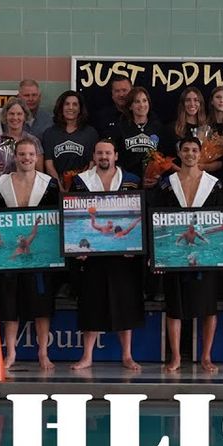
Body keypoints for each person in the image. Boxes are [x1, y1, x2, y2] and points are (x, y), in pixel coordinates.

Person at [154, 135, 223, 373]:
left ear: (200, 153)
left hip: (204, 254)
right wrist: (157, 254)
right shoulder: (166, 184)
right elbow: (156, 219)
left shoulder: (214, 184)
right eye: (185, 150)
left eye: (194, 150)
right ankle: (175, 356)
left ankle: (206, 356)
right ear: (179, 153)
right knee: (174, 306)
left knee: (208, 306)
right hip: (175, 254)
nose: (190, 154)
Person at [70, 139, 144, 371]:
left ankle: (127, 355)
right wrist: (77, 248)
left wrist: (136, 245)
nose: (104, 156)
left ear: (116, 156)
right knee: (91, 303)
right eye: (100, 153)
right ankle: (87, 356)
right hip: (92, 255)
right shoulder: (80, 182)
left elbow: (139, 215)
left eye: (108, 153)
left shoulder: (132, 180)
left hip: (122, 256)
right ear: (94, 156)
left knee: (125, 303)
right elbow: (74, 216)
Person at [0, 135, 61, 370]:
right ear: (15, 157)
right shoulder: (0, 184)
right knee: (9, 304)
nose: (27, 158)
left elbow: (57, 220)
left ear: (37, 157)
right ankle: (11, 352)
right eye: (22, 154)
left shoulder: (49, 184)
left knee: (42, 305)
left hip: (39, 254)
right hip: (10, 255)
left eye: (31, 154)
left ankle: (43, 353)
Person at [41, 90, 100, 192]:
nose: (71, 107)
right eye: (67, 104)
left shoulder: (90, 133)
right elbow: (49, 164)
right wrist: (60, 188)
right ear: (61, 107)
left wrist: (80, 184)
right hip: (57, 186)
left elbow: (92, 163)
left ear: (80, 109)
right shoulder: (50, 133)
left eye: (75, 104)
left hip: (83, 186)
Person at [113, 86, 165, 185]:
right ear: (130, 106)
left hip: (153, 182)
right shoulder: (121, 128)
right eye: (137, 101)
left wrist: (157, 176)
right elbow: (117, 158)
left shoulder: (158, 127)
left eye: (144, 101)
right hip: (128, 181)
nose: (142, 105)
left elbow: (163, 156)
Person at [0, 97, 29, 178]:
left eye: (19, 114)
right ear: (5, 116)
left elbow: (39, 172)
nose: (15, 117)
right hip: (1, 184)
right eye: (11, 114)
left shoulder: (32, 141)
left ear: (24, 116)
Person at [158, 86, 210, 159]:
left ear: (200, 104)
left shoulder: (207, 130)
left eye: (196, 100)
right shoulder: (171, 129)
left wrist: (199, 166)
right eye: (188, 100)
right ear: (182, 104)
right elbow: (164, 158)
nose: (192, 104)